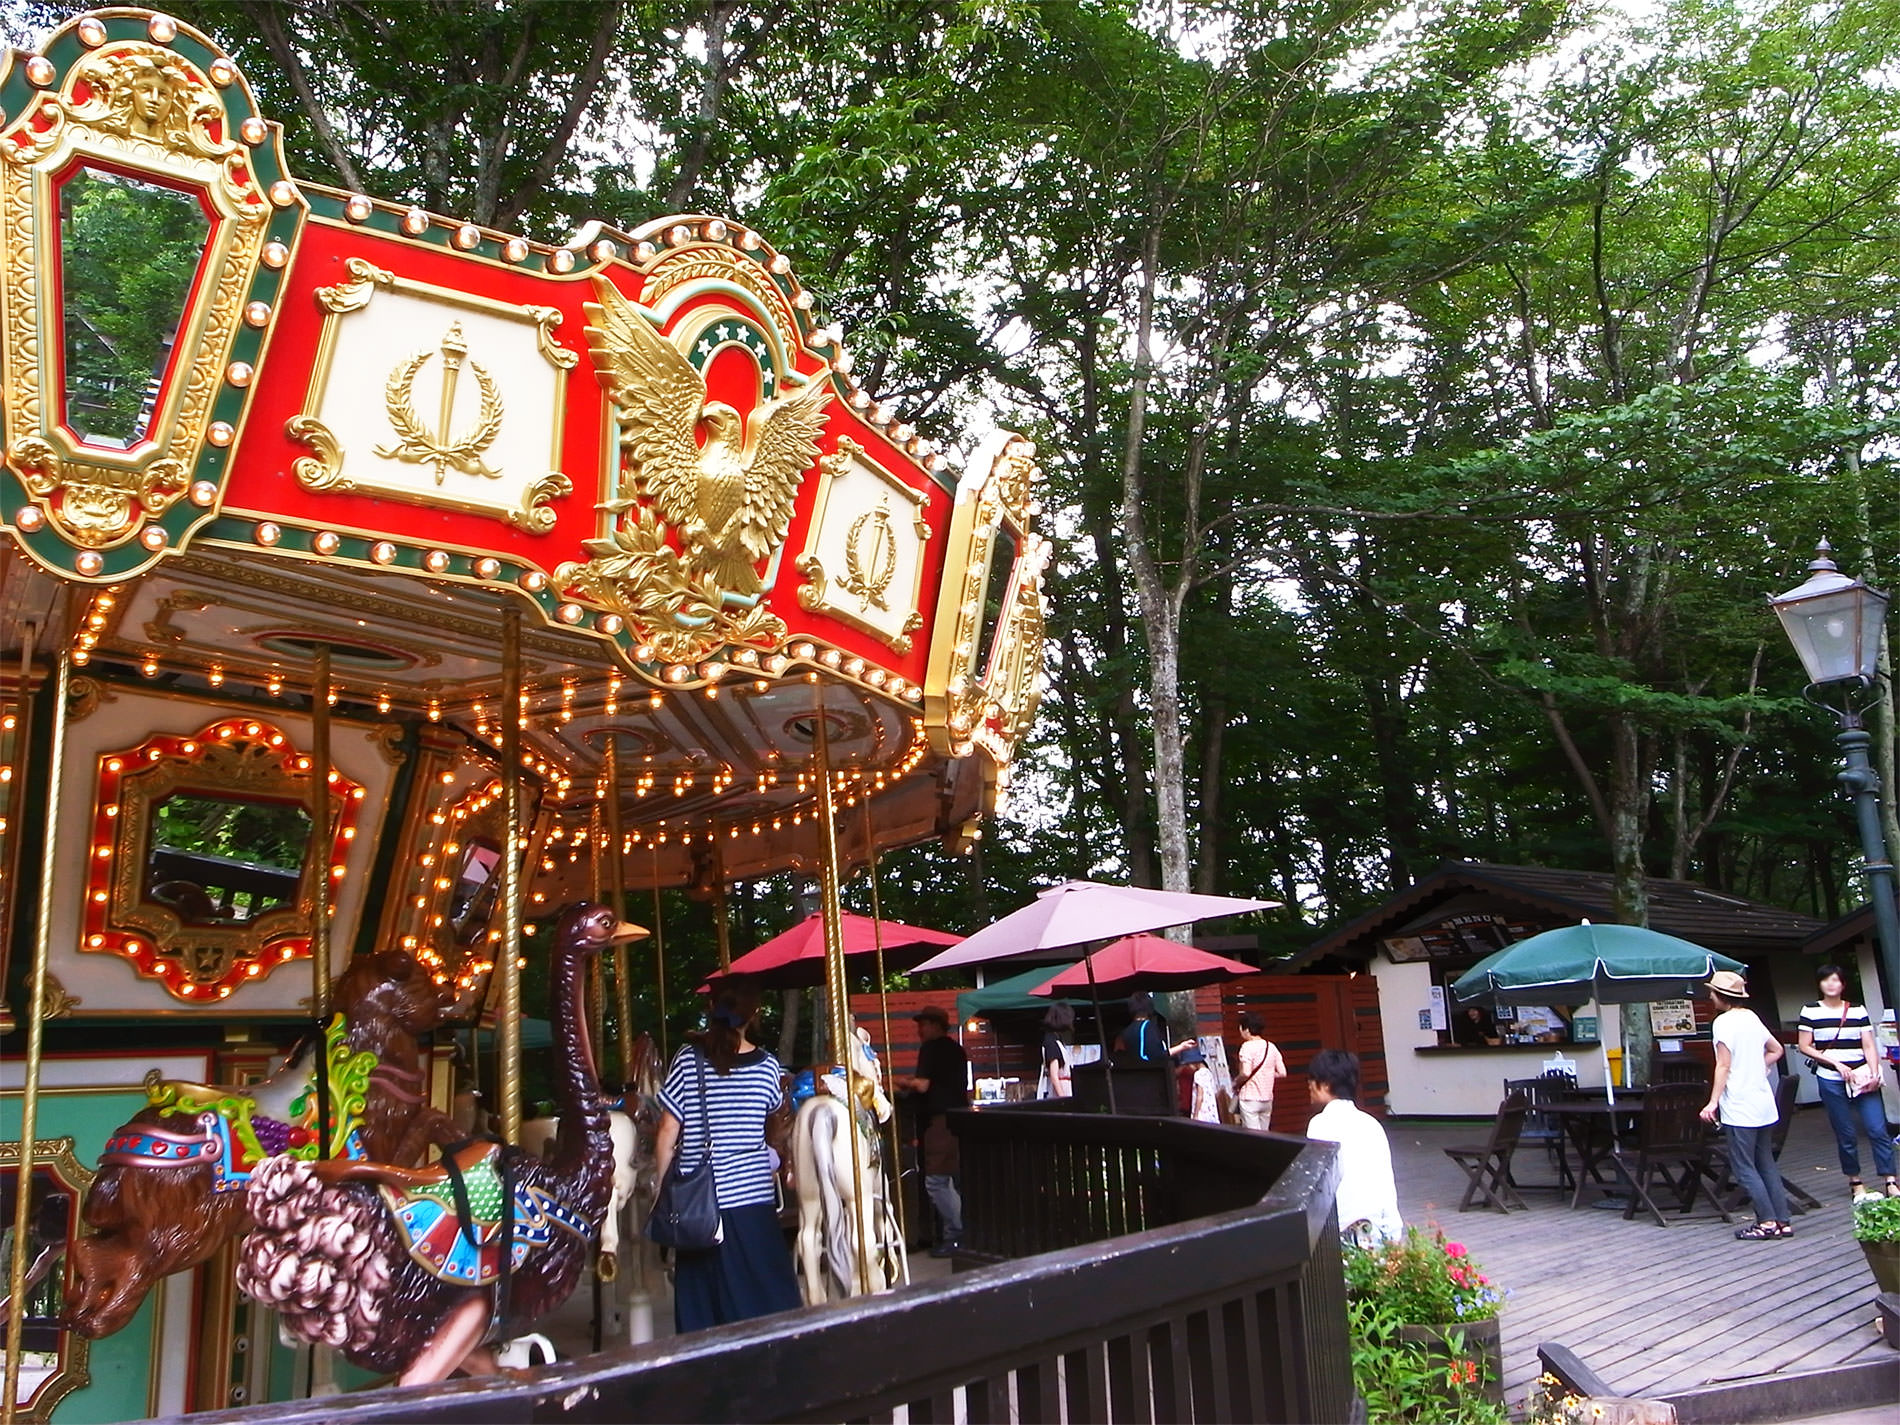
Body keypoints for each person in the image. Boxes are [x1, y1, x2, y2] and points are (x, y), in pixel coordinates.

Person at [652, 975, 800, 1332]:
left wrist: (663, 1187)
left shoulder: (688, 1060)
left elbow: (667, 1134)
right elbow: (773, 1126)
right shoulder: (768, 1068)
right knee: (765, 1297)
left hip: (697, 1199)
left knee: (702, 1304)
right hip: (751, 1198)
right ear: (755, 1013)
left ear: (710, 1008)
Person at [1699, 969, 1793, 1240]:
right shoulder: (1752, 1017)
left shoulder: (1722, 1023)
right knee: (1766, 1163)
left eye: (1712, 992)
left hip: (1739, 1105)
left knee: (1744, 1166)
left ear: (1721, 996)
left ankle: (1765, 1222)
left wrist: (1713, 1102)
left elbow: (1724, 1065)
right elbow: (1777, 1049)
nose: (1710, 995)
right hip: (1763, 1102)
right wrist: (1756, 1066)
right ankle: (1783, 1220)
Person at [1796, 964, 1896, 1201]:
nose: (1831, 984)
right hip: (1831, 1077)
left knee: (1877, 1128)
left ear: (1843, 984)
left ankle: (1890, 1179)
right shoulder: (1810, 1011)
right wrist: (1834, 1063)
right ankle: (1855, 1181)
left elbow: (1869, 1044)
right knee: (1846, 1132)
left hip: (1862, 1077)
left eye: (1836, 980)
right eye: (1826, 980)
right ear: (1819, 984)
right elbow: (1804, 1046)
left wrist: (1873, 1072)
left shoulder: (1857, 1010)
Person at [1304, 1048, 1402, 1244]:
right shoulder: (1372, 1123)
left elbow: (1319, 1185)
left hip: (1345, 1234)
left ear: (1324, 1084)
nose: (1309, 1089)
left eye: (1311, 1084)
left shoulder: (1320, 1124)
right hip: (1383, 1230)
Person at [900, 1005, 968, 1257]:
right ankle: (961, 1232)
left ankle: (955, 1234)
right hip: (960, 1119)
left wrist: (903, 1082)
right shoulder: (957, 1050)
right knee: (955, 1180)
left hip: (939, 1122)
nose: (919, 1030)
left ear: (936, 1025)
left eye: (923, 1024)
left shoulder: (931, 1049)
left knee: (936, 1181)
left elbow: (924, 1084)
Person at [1232, 1012, 1287, 1131]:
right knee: (1264, 1134)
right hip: (1267, 1098)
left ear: (1246, 1029)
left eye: (1241, 1028)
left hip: (1249, 1098)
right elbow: (1283, 1073)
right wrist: (1267, 1074)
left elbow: (1246, 1073)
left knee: (1253, 1137)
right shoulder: (1271, 1046)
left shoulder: (1247, 1047)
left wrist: (1236, 1081)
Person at [1116, 992, 1193, 1063]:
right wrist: (1181, 1047)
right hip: (1153, 1073)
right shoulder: (1148, 1027)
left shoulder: (1125, 1032)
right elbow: (1156, 1055)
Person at [1038, 1002, 1074, 1099]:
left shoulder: (1056, 1039)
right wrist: (1063, 1099)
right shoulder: (1052, 1042)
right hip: (1059, 1092)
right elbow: (1054, 1076)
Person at [1180, 1046, 1220, 1123]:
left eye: (1188, 1064)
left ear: (1194, 1062)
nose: (1188, 1067)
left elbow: (1200, 1096)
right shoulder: (1208, 1072)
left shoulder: (1198, 1074)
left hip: (1202, 1112)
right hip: (1211, 1111)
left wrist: (1195, 1114)